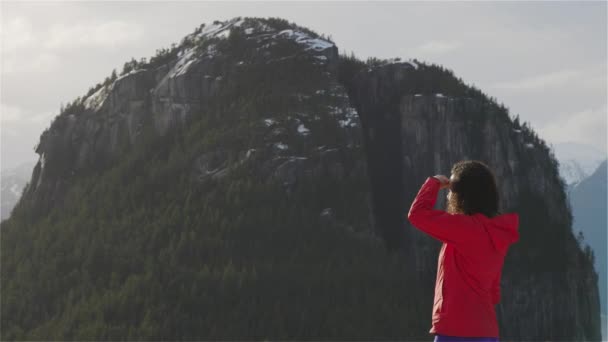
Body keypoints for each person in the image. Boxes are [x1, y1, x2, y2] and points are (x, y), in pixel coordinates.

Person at [407, 160, 520, 342]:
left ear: (462, 195)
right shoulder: (497, 232)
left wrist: (435, 182)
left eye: (453, 189)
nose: (449, 195)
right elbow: (493, 291)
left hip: (456, 331)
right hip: (487, 332)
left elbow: (417, 214)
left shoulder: (466, 229)